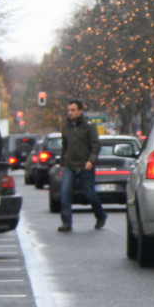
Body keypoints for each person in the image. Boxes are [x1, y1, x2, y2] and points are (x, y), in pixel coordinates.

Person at [58, 99, 105, 232]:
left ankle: (101, 215)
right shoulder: (66, 126)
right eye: (69, 110)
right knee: (65, 193)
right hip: (70, 165)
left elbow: (96, 145)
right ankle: (66, 222)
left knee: (90, 194)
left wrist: (91, 161)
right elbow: (64, 146)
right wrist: (62, 163)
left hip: (85, 165)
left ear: (80, 111)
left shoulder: (89, 126)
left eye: (73, 110)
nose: (70, 113)